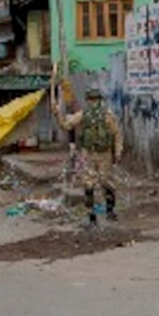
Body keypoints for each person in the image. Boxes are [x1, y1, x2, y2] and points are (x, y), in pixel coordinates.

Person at [55, 87, 123, 226]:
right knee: (99, 183)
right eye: (93, 100)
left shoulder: (90, 114)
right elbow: (117, 134)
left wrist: (117, 152)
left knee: (97, 183)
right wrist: (57, 114)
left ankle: (98, 216)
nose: (94, 102)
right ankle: (103, 214)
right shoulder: (100, 114)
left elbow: (66, 125)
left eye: (94, 99)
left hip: (99, 154)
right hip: (94, 154)